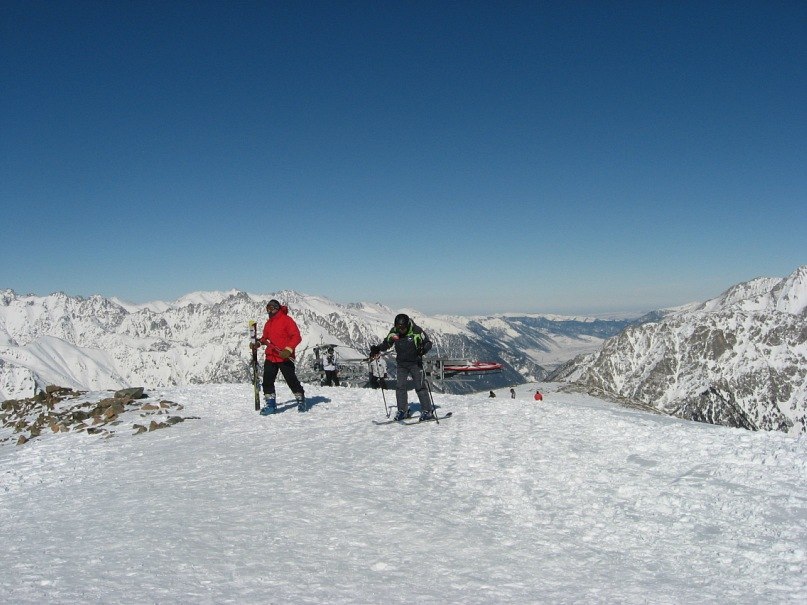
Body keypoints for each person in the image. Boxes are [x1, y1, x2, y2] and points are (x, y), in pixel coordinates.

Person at [369, 313, 434, 421]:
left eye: (403, 328)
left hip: (415, 363)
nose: (401, 331)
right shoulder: (394, 332)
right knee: (400, 387)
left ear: (407, 325)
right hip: (401, 364)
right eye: (399, 328)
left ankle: (427, 410)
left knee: (420, 386)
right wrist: (377, 348)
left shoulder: (416, 331)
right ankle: (402, 411)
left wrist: (423, 349)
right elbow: (387, 343)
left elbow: (428, 343)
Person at [251, 299, 306, 414]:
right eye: (267, 309)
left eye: (271, 308)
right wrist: (258, 343)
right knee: (267, 380)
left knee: (291, 380)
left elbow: (296, 336)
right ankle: (271, 405)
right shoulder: (268, 323)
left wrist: (288, 349)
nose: (269, 311)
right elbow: (265, 338)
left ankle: (301, 399)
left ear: (277, 308)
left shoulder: (287, 320)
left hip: (284, 356)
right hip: (271, 355)